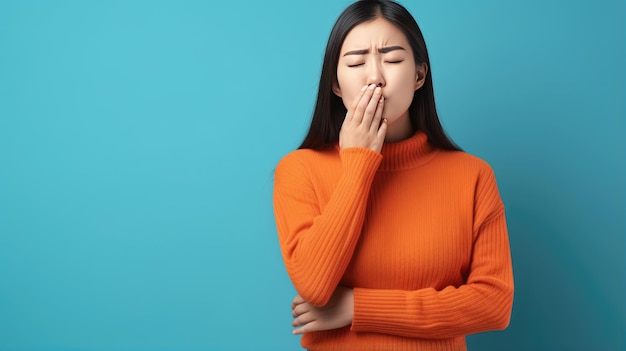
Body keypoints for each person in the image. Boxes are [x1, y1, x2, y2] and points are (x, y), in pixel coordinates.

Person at [272, 1, 514, 350]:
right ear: (336, 85)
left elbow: (494, 305)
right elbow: (314, 286)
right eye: (356, 62)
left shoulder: (472, 175)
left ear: (419, 75)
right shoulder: (300, 170)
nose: (375, 77)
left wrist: (357, 307)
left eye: (393, 59)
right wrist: (359, 163)